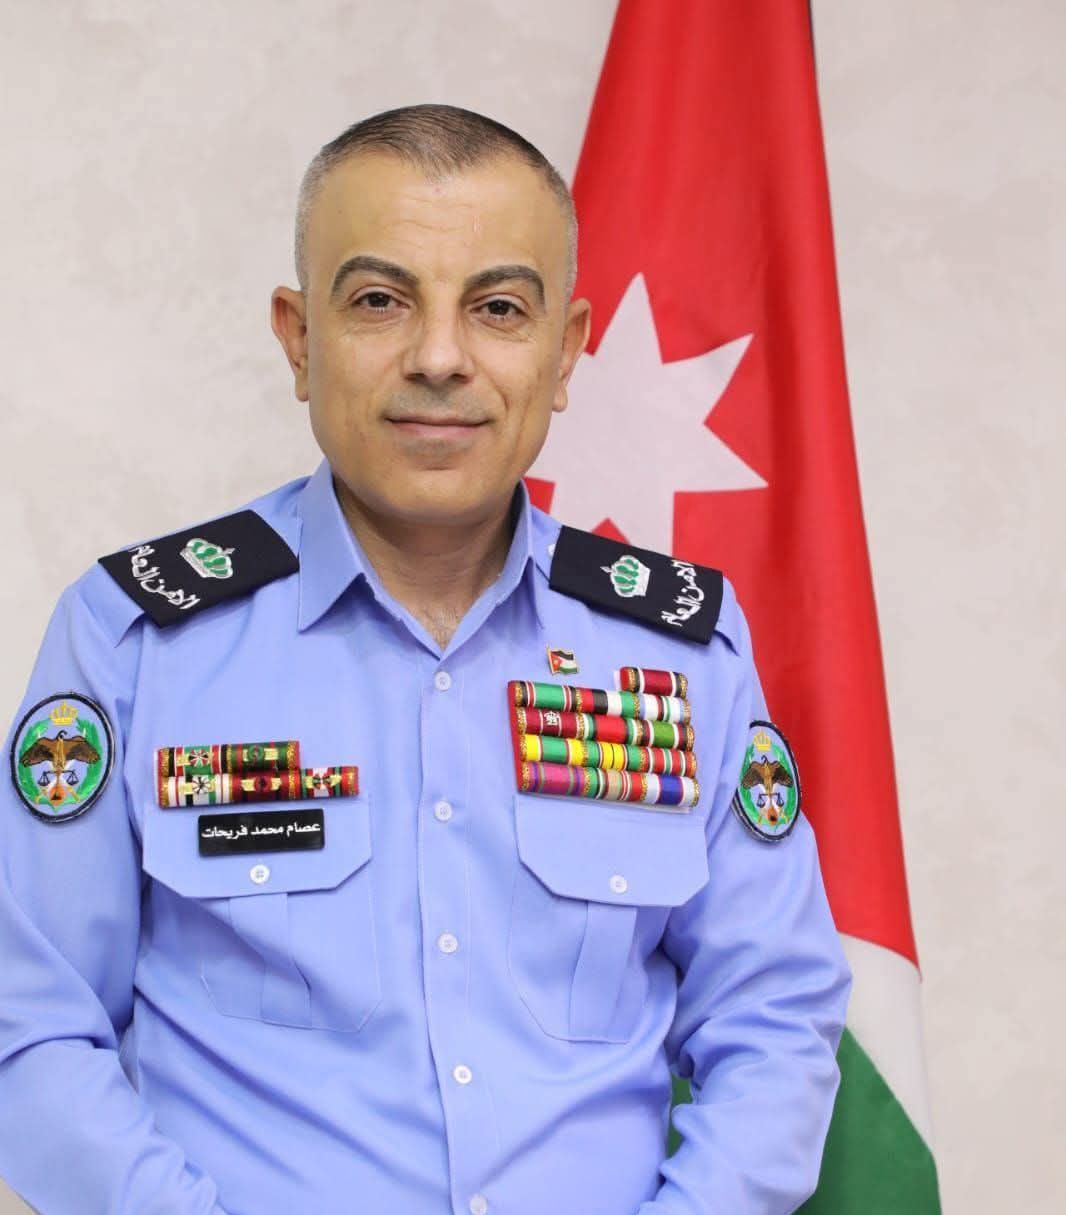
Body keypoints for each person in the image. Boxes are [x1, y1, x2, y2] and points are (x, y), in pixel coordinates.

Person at [0, 104, 851, 1215]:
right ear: (298, 339)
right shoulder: (135, 640)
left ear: (565, 352)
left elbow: (774, 1018)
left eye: (498, 309)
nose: (440, 358)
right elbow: (31, 1023)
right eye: (379, 301)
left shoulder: (682, 650)